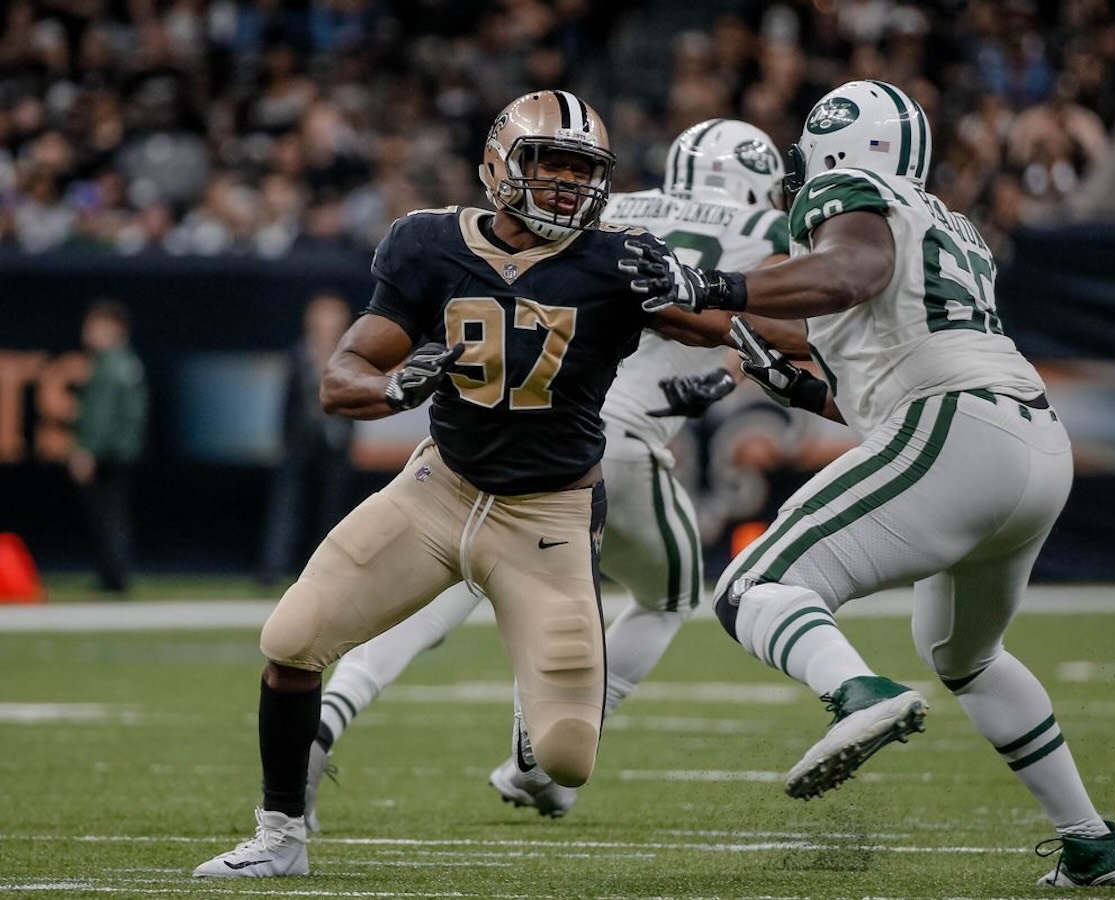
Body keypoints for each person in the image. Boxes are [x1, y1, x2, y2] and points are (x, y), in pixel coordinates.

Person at [193, 91, 771, 879]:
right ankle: (279, 835)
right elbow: (343, 378)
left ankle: (536, 707)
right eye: (552, 165)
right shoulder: (429, 245)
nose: (569, 186)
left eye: (583, 171)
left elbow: (753, 332)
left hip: (551, 518)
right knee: (291, 640)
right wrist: (397, 390)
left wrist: (697, 289)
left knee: (566, 758)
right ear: (502, 165)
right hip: (439, 491)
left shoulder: (616, 260)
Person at [621, 80, 1115, 888]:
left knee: (755, 585)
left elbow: (850, 276)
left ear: (836, 145)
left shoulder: (853, 199)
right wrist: (746, 348)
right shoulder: (949, 224)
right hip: (1033, 442)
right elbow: (846, 333)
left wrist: (714, 284)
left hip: (960, 427)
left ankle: (858, 694)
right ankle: (1093, 845)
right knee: (966, 655)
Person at [258, 292, 356, 585]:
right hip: (299, 443)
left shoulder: (350, 356)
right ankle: (274, 567)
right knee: (287, 507)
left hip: (335, 444)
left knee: (332, 510)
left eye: (333, 316)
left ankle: (326, 569)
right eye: (322, 315)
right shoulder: (297, 354)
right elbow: (286, 404)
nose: (327, 323)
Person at [68, 298, 148, 595]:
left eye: (96, 326)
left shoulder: (113, 364)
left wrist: (88, 450)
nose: (88, 332)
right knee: (111, 514)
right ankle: (112, 573)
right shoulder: (122, 362)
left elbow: (102, 414)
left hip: (109, 453)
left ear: (116, 328)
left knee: (109, 515)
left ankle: (114, 575)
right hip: (119, 450)